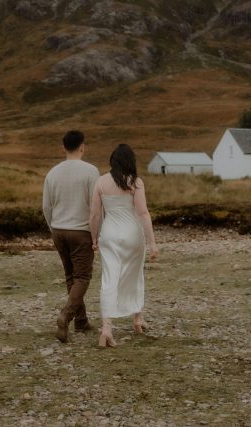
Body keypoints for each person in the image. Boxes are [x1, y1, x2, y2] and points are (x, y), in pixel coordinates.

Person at [89, 143, 159, 348]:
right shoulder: (135, 182)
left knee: (109, 278)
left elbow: (94, 215)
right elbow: (143, 213)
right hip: (132, 234)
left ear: (113, 161)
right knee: (135, 275)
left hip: (109, 234)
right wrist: (152, 243)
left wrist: (94, 238)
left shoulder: (101, 182)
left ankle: (107, 328)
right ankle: (137, 319)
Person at [43, 129, 100, 343]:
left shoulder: (52, 173)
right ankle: (66, 316)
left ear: (63, 148)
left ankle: (81, 321)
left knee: (71, 277)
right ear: (82, 146)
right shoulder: (91, 171)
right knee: (82, 277)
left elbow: (46, 206)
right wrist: (97, 234)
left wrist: (53, 227)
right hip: (81, 231)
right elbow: (95, 207)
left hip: (58, 229)